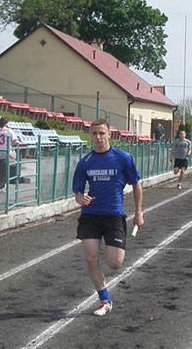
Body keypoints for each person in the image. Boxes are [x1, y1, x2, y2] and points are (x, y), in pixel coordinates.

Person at [72, 119, 144, 316]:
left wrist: (138, 213)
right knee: (91, 258)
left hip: (113, 216)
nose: (98, 137)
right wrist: (80, 199)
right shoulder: (85, 162)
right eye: (94, 134)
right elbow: (77, 191)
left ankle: (111, 252)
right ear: (90, 136)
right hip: (90, 216)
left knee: (114, 263)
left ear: (109, 134)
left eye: (101, 133)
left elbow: (136, 184)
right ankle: (105, 300)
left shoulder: (122, 158)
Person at [0, 117, 23, 193]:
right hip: (6, 153)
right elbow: (14, 141)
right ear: (6, 123)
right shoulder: (9, 131)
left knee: (1, 169)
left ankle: (1, 184)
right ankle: (1, 186)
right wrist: (21, 144)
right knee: (5, 171)